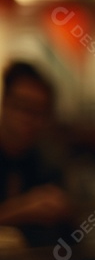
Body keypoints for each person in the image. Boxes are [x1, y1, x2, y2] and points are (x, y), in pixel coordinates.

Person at [0, 61, 71, 247]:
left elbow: (69, 233)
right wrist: (21, 210)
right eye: (23, 107)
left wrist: (63, 210)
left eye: (40, 112)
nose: (29, 119)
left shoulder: (46, 160)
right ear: (5, 104)